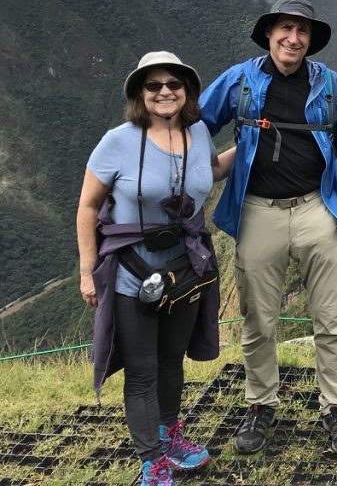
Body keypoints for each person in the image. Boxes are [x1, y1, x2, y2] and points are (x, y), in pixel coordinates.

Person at [200, 0, 337, 457]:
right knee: (259, 318)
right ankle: (261, 403)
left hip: (318, 209)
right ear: (269, 33)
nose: (293, 38)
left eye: (302, 31)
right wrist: (182, 168)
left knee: (331, 318)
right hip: (258, 210)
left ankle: (335, 406)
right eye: (285, 28)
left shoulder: (332, 87)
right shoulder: (240, 81)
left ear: (311, 40)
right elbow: (195, 121)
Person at [77, 51, 235, 486]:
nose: (165, 91)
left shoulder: (198, 132)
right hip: (133, 269)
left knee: (171, 361)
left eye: (174, 84)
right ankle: (152, 460)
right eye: (154, 85)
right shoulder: (118, 141)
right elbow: (88, 206)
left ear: (186, 91)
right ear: (140, 95)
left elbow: (212, 170)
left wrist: (252, 142)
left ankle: (169, 436)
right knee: (143, 368)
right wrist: (87, 272)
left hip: (185, 268)